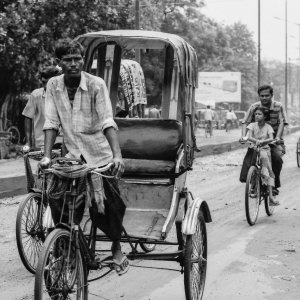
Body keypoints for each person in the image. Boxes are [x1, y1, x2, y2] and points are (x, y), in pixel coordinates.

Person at [39, 38, 128, 275]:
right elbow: (51, 122)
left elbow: (107, 120)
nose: (73, 64)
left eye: (77, 59)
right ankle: (66, 245)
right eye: (67, 60)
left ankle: (117, 248)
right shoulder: (53, 86)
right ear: (59, 63)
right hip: (73, 157)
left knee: (110, 206)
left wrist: (117, 155)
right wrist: (47, 157)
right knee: (58, 200)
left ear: (83, 60)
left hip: (99, 155)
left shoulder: (96, 84)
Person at [240, 84, 288, 195]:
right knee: (251, 159)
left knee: (276, 159)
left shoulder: (278, 106)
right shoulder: (254, 107)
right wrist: (244, 136)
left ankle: (274, 185)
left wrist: (277, 138)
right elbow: (245, 122)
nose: (264, 98)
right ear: (259, 96)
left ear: (272, 95)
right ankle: (253, 183)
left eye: (267, 95)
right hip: (257, 140)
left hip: (273, 141)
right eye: (262, 96)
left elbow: (282, 122)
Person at [241, 107, 279, 205]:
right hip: (253, 149)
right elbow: (249, 136)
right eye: (256, 114)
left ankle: (270, 196)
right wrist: (253, 141)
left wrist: (263, 141)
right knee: (250, 166)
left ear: (265, 116)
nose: (256, 116)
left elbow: (271, 138)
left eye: (259, 114)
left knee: (268, 169)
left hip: (264, 149)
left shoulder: (268, 127)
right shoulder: (251, 125)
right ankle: (253, 185)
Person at [22, 66, 60, 149]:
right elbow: (28, 116)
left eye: (50, 83)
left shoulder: (65, 94)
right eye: (44, 83)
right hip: (43, 141)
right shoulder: (36, 95)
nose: (46, 86)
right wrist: (28, 142)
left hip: (62, 142)